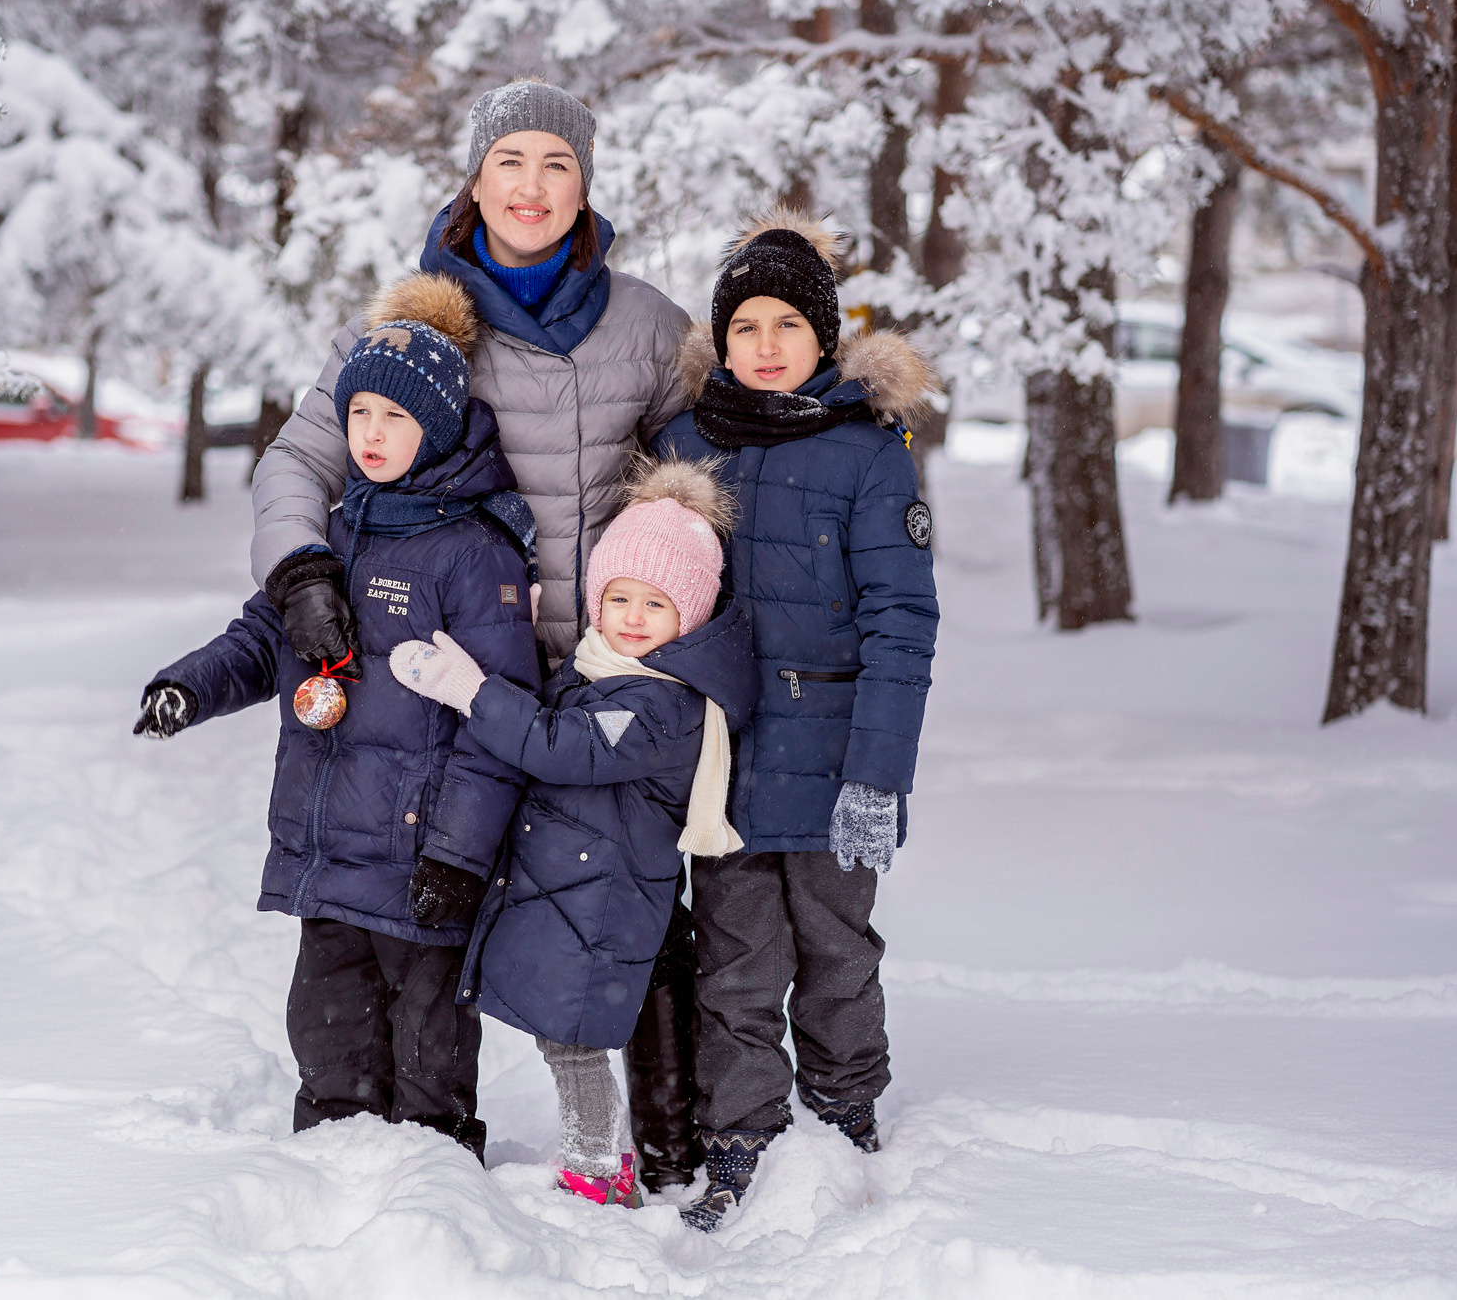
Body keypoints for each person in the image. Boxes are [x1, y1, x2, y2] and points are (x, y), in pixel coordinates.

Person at [251, 79, 708, 1192]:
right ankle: (401, 1135)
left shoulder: (648, 325)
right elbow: (297, 462)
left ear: (585, 184)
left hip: (598, 672)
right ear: (473, 179)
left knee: (616, 905)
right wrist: (301, 568)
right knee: (412, 902)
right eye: (510, 162)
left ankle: (667, 1140)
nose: (531, 187)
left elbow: (704, 481)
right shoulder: (414, 323)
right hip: (445, 669)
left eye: (556, 163)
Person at [133, 274, 538, 1161]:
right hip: (333, 854)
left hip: (423, 863)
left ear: (434, 426)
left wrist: (461, 855)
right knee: (327, 1034)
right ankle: (326, 1180)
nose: (372, 435)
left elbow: (494, 720)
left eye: (394, 419)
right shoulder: (338, 532)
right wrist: (189, 688)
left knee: (430, 1053)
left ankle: (436, 1194)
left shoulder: (475, 551)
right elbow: (259, 636)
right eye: (359, 415)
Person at [652, 208, 941, 1231]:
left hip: (829, 761)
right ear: (719, 341)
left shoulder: (865, 452)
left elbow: (901, 622)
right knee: (732, 964)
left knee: (835, 952)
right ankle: (740, 1143)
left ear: (822, 337)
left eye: (786, 325)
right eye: (745, 328)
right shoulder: (684, 445)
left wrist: (876, 776)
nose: (765, 345)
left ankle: (844, 1114)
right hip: (723, 763)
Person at [386, 461, 757, 1206]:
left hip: (601, 899)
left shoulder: (663, 704)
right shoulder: (604, 668)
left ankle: (598, 1169)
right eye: (617, 597)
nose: (631, 615)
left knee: (578, 1043)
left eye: (655, 603)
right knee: (565, 1038)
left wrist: (471, 690)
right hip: (573, 892)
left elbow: (562, 746)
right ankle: (601, 1160)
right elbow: (556, 715)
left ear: (689, 612)